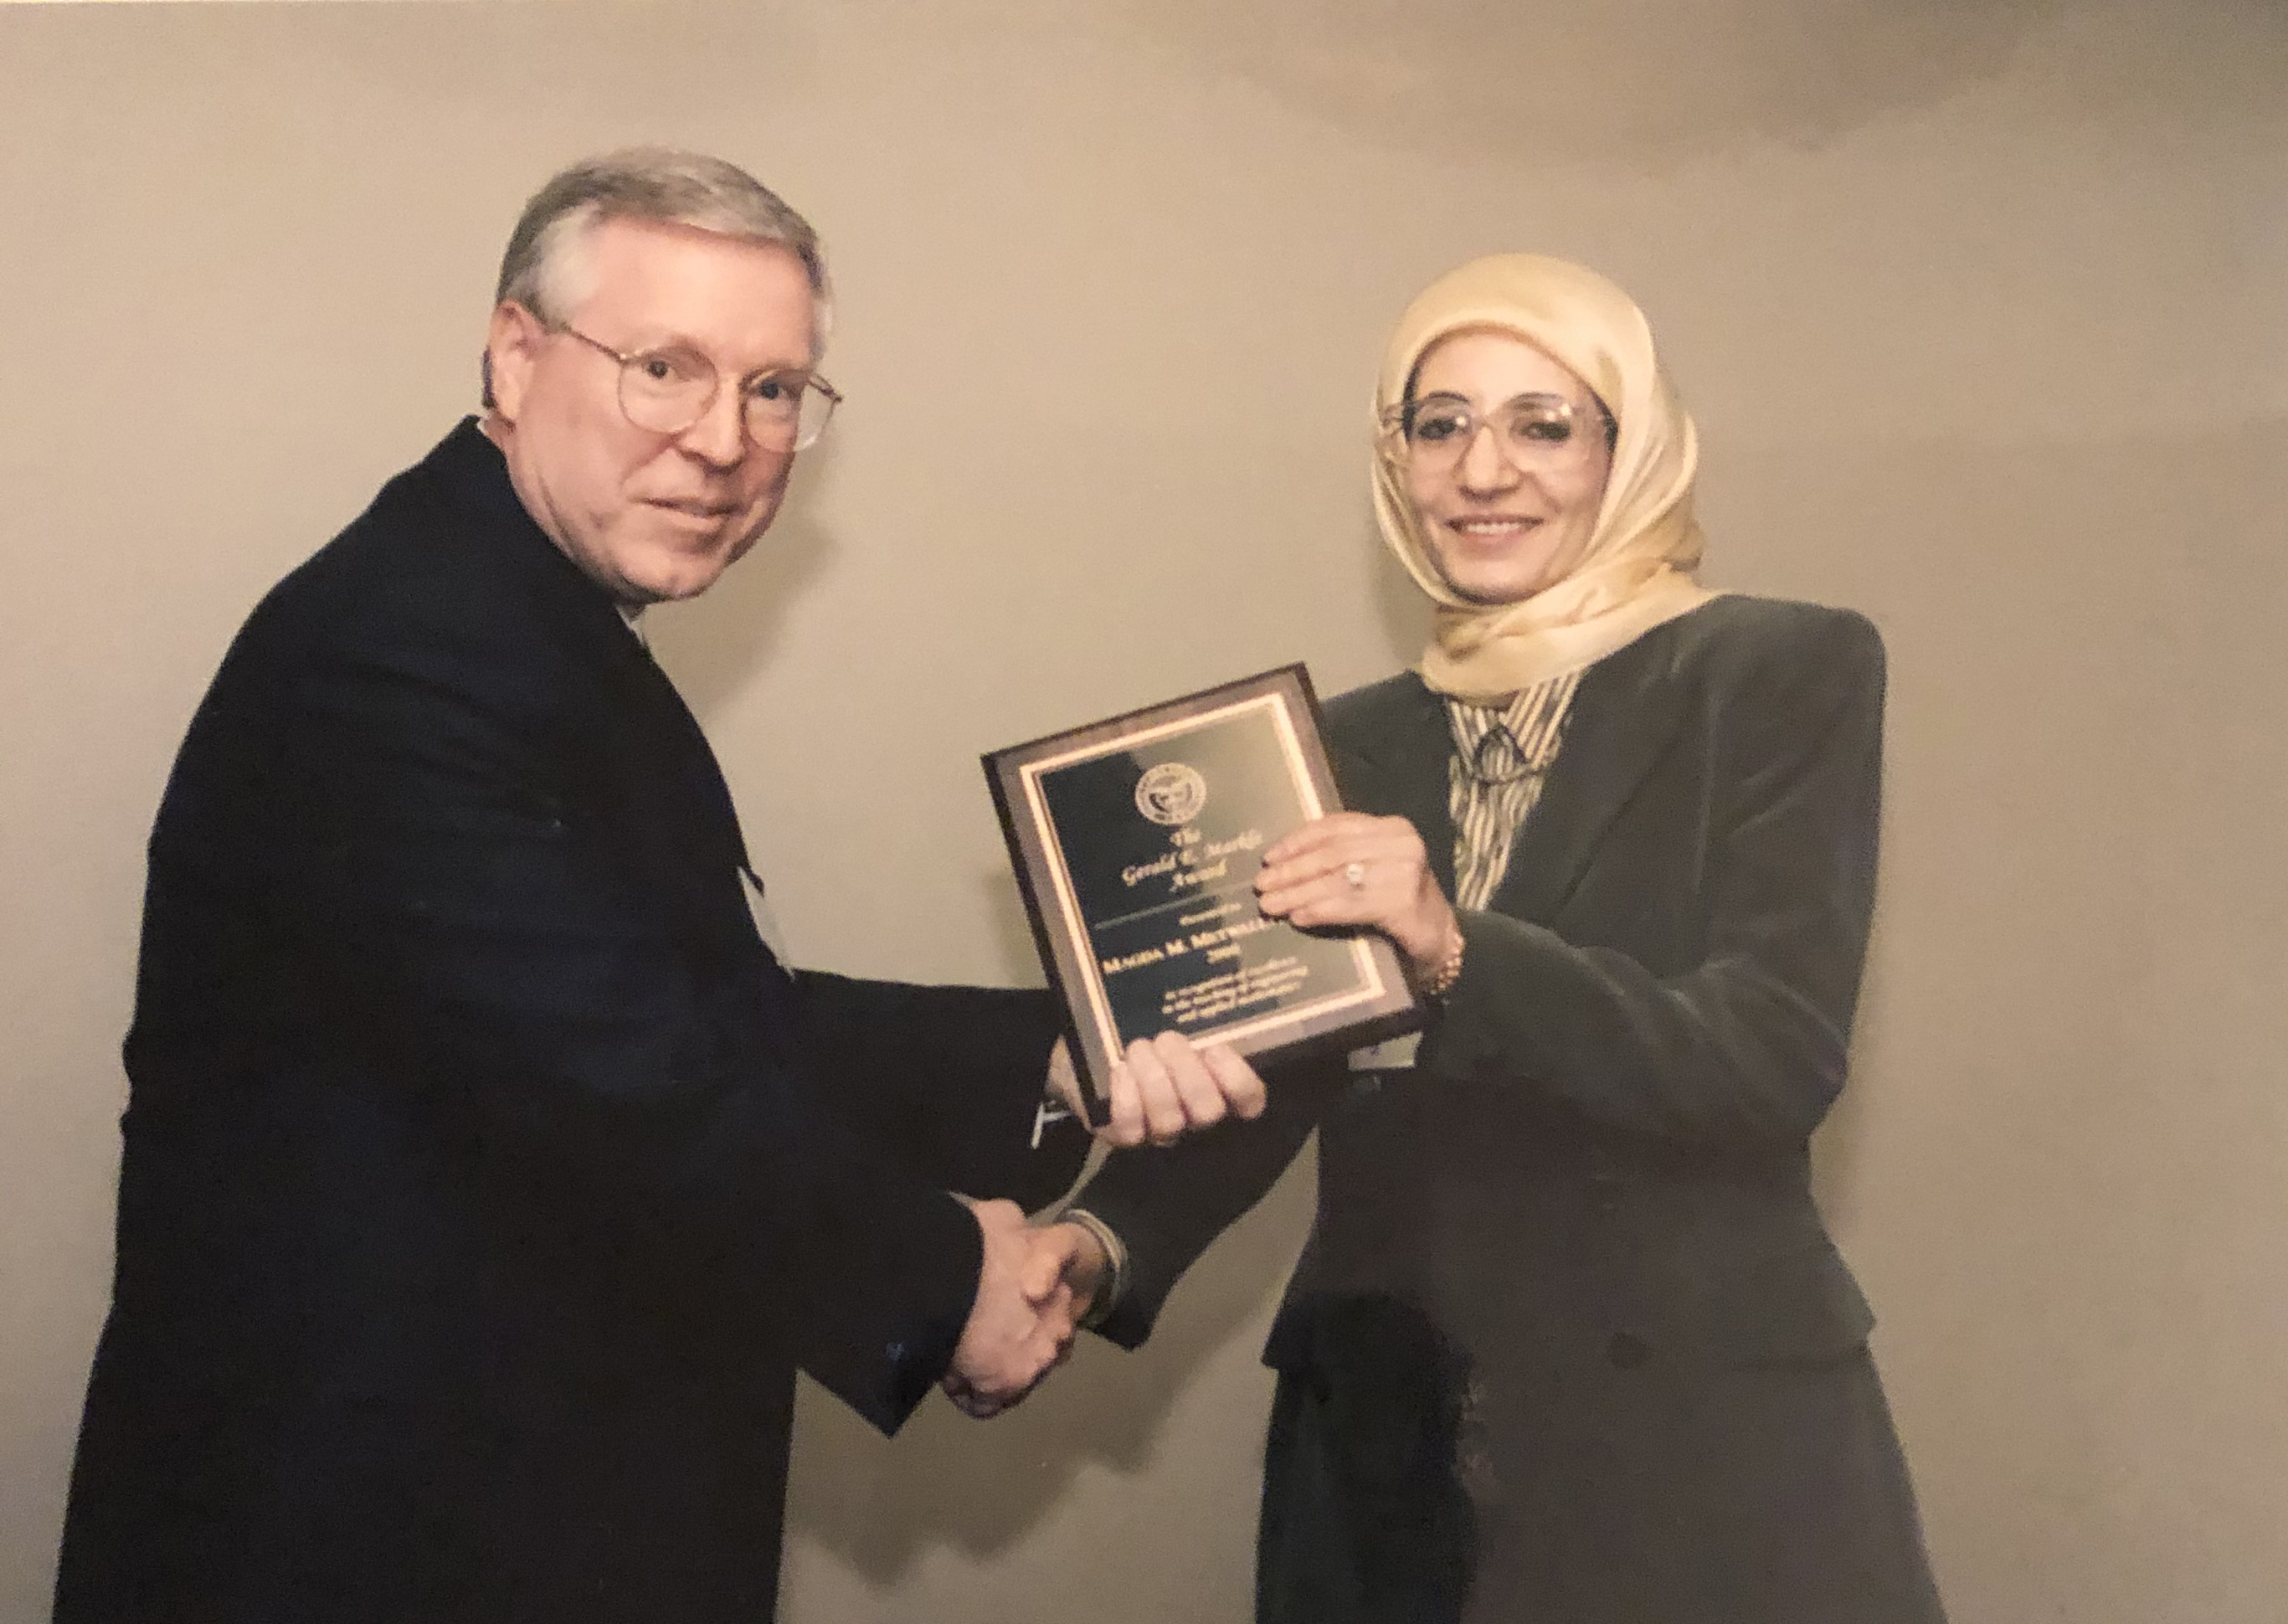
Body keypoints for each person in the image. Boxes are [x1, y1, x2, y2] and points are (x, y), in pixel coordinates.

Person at [53, 147, 1261, 1624]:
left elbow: (697, 1014)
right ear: (514, 357)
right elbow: (629, 1080)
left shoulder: (521, 616)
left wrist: (1066, 1052)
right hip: (369, 1537)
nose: (722, 441)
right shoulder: (404, 653)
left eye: (774, 389)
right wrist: (948, 1282)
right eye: (665, 369)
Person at [1058, 254, 1948, 1623]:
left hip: (1699, 1449)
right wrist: (1095, 1247)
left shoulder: (1777, 671)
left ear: (1629, 451)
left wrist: (1450, 946)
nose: (1484, 471)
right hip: (1389, 1450)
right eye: (1440, 425)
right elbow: (1280, 1059)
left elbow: (1769, 1057)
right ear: (1395, 460)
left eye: (1544, 424)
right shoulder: (1332, 742)